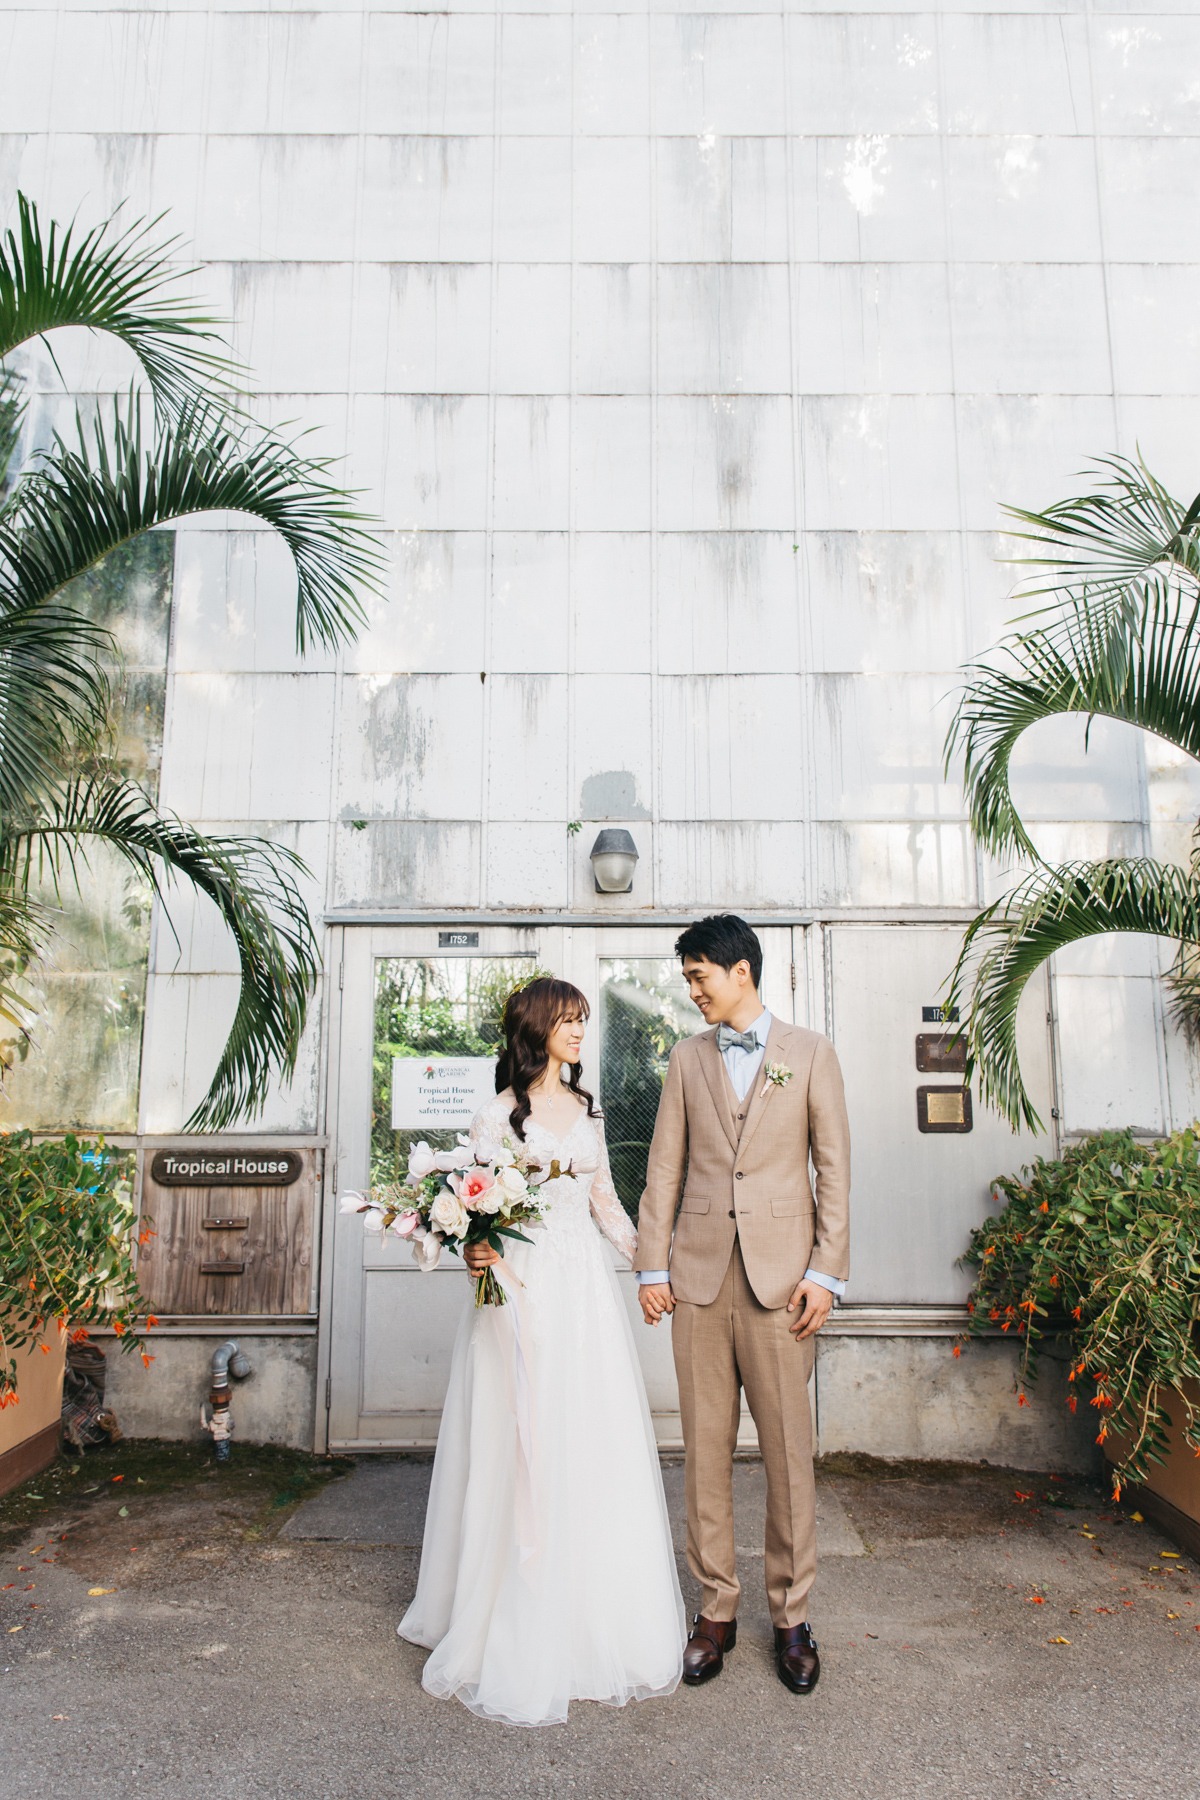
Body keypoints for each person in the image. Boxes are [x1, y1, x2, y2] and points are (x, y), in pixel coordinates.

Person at [398, 976, 685, 1726]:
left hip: (583, 1292)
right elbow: (474, 1210)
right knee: (517, 1441)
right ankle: (505, 1608)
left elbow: (609, 1207)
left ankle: (593, 1609)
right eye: (568, 1020)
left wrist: (654, 1266)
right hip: (519, 1295)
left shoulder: (588, 1108)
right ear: (535, 1028)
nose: (579, 1031)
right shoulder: (497, 1115)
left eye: (583, 1021)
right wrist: (472, 1250)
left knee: (587, 1439)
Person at [634, 915, 850, 1694]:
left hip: (783, 1285)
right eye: (689, 979)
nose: (691, 992)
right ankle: (715, 1610)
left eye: (699, 977)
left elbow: (834, 1169)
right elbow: (663, 1169)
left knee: (790, 1456)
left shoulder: (810, 1054)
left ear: (741, 974)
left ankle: (791, 1617)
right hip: (696, 1280)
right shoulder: (686, 1060)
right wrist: (649, 1267)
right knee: (705, 1454)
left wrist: (826, 1274)